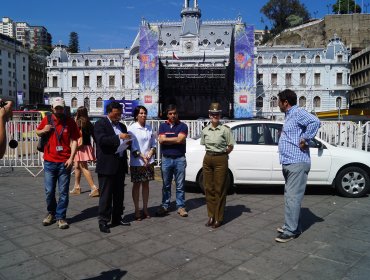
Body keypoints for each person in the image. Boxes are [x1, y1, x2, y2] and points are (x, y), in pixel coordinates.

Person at [275, 89, 320, 243]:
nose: (278, 104)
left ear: (285, 102)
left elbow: (315, 121)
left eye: (278, 101)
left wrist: (305, 138)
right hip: (289, 161)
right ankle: (294, 225)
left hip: (297, 161)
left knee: (293, 198)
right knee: (290, 197)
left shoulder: (297, 112)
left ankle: (290, 231)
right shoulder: (289, 115)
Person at [36, 97, 80, 229]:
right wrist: (44, 130)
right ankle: (51, 213)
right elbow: (37, 131)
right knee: (49, 191)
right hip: (49, 161)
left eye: (61, 107)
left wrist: (71, 158)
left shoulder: (70, 121)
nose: (59, 110)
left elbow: (74, 141)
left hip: (64, 162)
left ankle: (61, 217)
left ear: (63, 108)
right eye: (57, 108)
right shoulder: (47, 119)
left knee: (63, 192)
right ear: (52, 108)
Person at [94, 101, 131, 233]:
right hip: (107, 165)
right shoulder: (100, 124)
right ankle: (103, 220)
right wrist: (118, 137)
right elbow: (102, 141)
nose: (119, 116)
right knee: (106, 195)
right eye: (116, 114)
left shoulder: (122, 126)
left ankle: (117, 217)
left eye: (120, 114)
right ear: (109, 112)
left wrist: (128, 141)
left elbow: (126, 142)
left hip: (120, 164)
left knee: (119, 194)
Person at [201, 102, 235, 229]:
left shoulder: (225, 130)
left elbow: (230, 146)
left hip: (221, 158)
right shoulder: (205, 130)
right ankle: (211, 215)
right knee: (208, 188)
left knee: (219, 188)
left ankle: (218, 217)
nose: (215, 116)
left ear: (220, 115)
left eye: (217, 114)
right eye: (213, 114)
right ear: (209, 115)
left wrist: (223, 154)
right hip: (208, 158)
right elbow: (204, 144)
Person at [156, 104, 189, 217]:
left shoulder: (183, 126)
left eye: (174, 113)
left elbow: (180, 139)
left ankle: (181, 206)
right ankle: (165, 205)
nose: (173, 115)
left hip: (179, 158)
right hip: (166, 159)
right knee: (166, 184)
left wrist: (167, 139)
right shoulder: (162, 126)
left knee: (180, 185)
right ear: (167, 115)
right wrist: (176, 139)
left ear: (177, 114)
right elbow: (161, 140)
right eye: (170, 113)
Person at [128, 106, 157, 221]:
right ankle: (136, 209)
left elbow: (153, 144)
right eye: (141, 113)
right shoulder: (132, 128)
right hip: (137, 161)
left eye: (145, 113)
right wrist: (142, 156)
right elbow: (131, 146)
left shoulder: (149, 128)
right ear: (136, 115)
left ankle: (145, 208)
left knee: (146, 184)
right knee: (137, 185)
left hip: (148, 161)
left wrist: (149, 154)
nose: (143, 115)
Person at [70, 106, 99, 197]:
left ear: (78, 113)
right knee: (77, 165)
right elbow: (94, 136)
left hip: (79, 147)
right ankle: (77, 187)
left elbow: (74, 134)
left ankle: (94, 187)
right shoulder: (89, 123)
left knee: (83, 166)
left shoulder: (78, 122)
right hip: (87, 146)